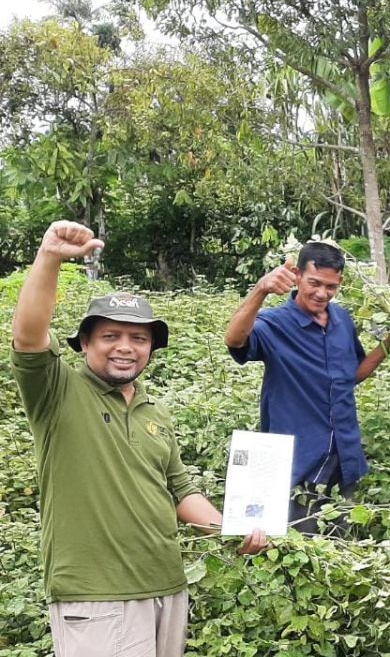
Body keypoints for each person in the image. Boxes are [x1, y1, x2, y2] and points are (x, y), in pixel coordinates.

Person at [12, 220, 267, 657]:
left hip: (166, 586)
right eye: (110, 336)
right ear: (84, 343)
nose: (124, 347)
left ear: (151, 347)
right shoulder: (56, 392)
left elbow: (179, 491)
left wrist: (229, 528)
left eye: (138, 337)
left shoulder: (156, 412)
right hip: (95, 594)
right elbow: (28, 336)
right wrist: (49, 257)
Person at [225, 241, 390, 532]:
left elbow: (353, 375)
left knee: (342, 546)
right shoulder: (275, 324)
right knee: (298, 547)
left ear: (340, 283)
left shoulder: (342, 320)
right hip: (297, 462)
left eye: (330, 287)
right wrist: (261, 290)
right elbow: (234, 340)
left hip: (343, 456)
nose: (322, 293)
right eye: (314, 283)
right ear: (297, 275)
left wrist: (389, 342)